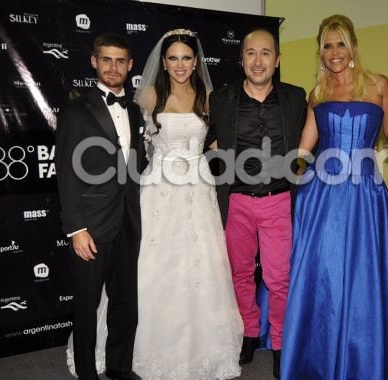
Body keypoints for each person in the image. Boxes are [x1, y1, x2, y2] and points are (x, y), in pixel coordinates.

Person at [69, 29, 244, 380]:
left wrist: (209, 152)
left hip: (198, 190)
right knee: (148, 272)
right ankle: (125, 354)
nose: (180, 65)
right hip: (159, 189)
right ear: (162, 63)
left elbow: (219, 139)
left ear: (196, 63)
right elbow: (134, 143)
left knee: (201, 271)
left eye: (186, 58)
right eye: (173, 58)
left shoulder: (209, 97)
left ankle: (198, 351)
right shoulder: (147, 96)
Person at [280, 15, 388, 379]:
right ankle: (319, 355)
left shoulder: (379, 84)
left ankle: (364, 356)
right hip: (322, 196)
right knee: (324, 276)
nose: (334, 52)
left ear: (353, 46)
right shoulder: (317, 93)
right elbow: (304, 146)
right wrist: (282, 180)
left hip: (365, 194)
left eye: (340, 44)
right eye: (327, 45)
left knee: (365, 276)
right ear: (321, 51)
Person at [207, 29, 307, 379]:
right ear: (241, 59)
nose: (258, 60)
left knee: (280, 279)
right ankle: (250, 331)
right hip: (236, 202)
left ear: (277, 60)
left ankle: (280, 342)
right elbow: (205, 143)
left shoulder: (296, 98)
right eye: (251, 53)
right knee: (240, 274)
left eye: (266, 53)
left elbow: (314, 143)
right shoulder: (221, 98)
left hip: (279, 200)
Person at [56, 33, 145, 380]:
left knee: (125, 304)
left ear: (130, 65)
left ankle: (119, 366)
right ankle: (87, 374)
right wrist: (76, 228)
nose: (113, 67)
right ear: (94, 61)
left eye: (120, 60)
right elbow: (65, 171)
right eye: (106, 59)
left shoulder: (136, 111)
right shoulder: (75, 110)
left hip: (128, 221)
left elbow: (133, 166)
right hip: (90, 226)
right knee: (86, 307)